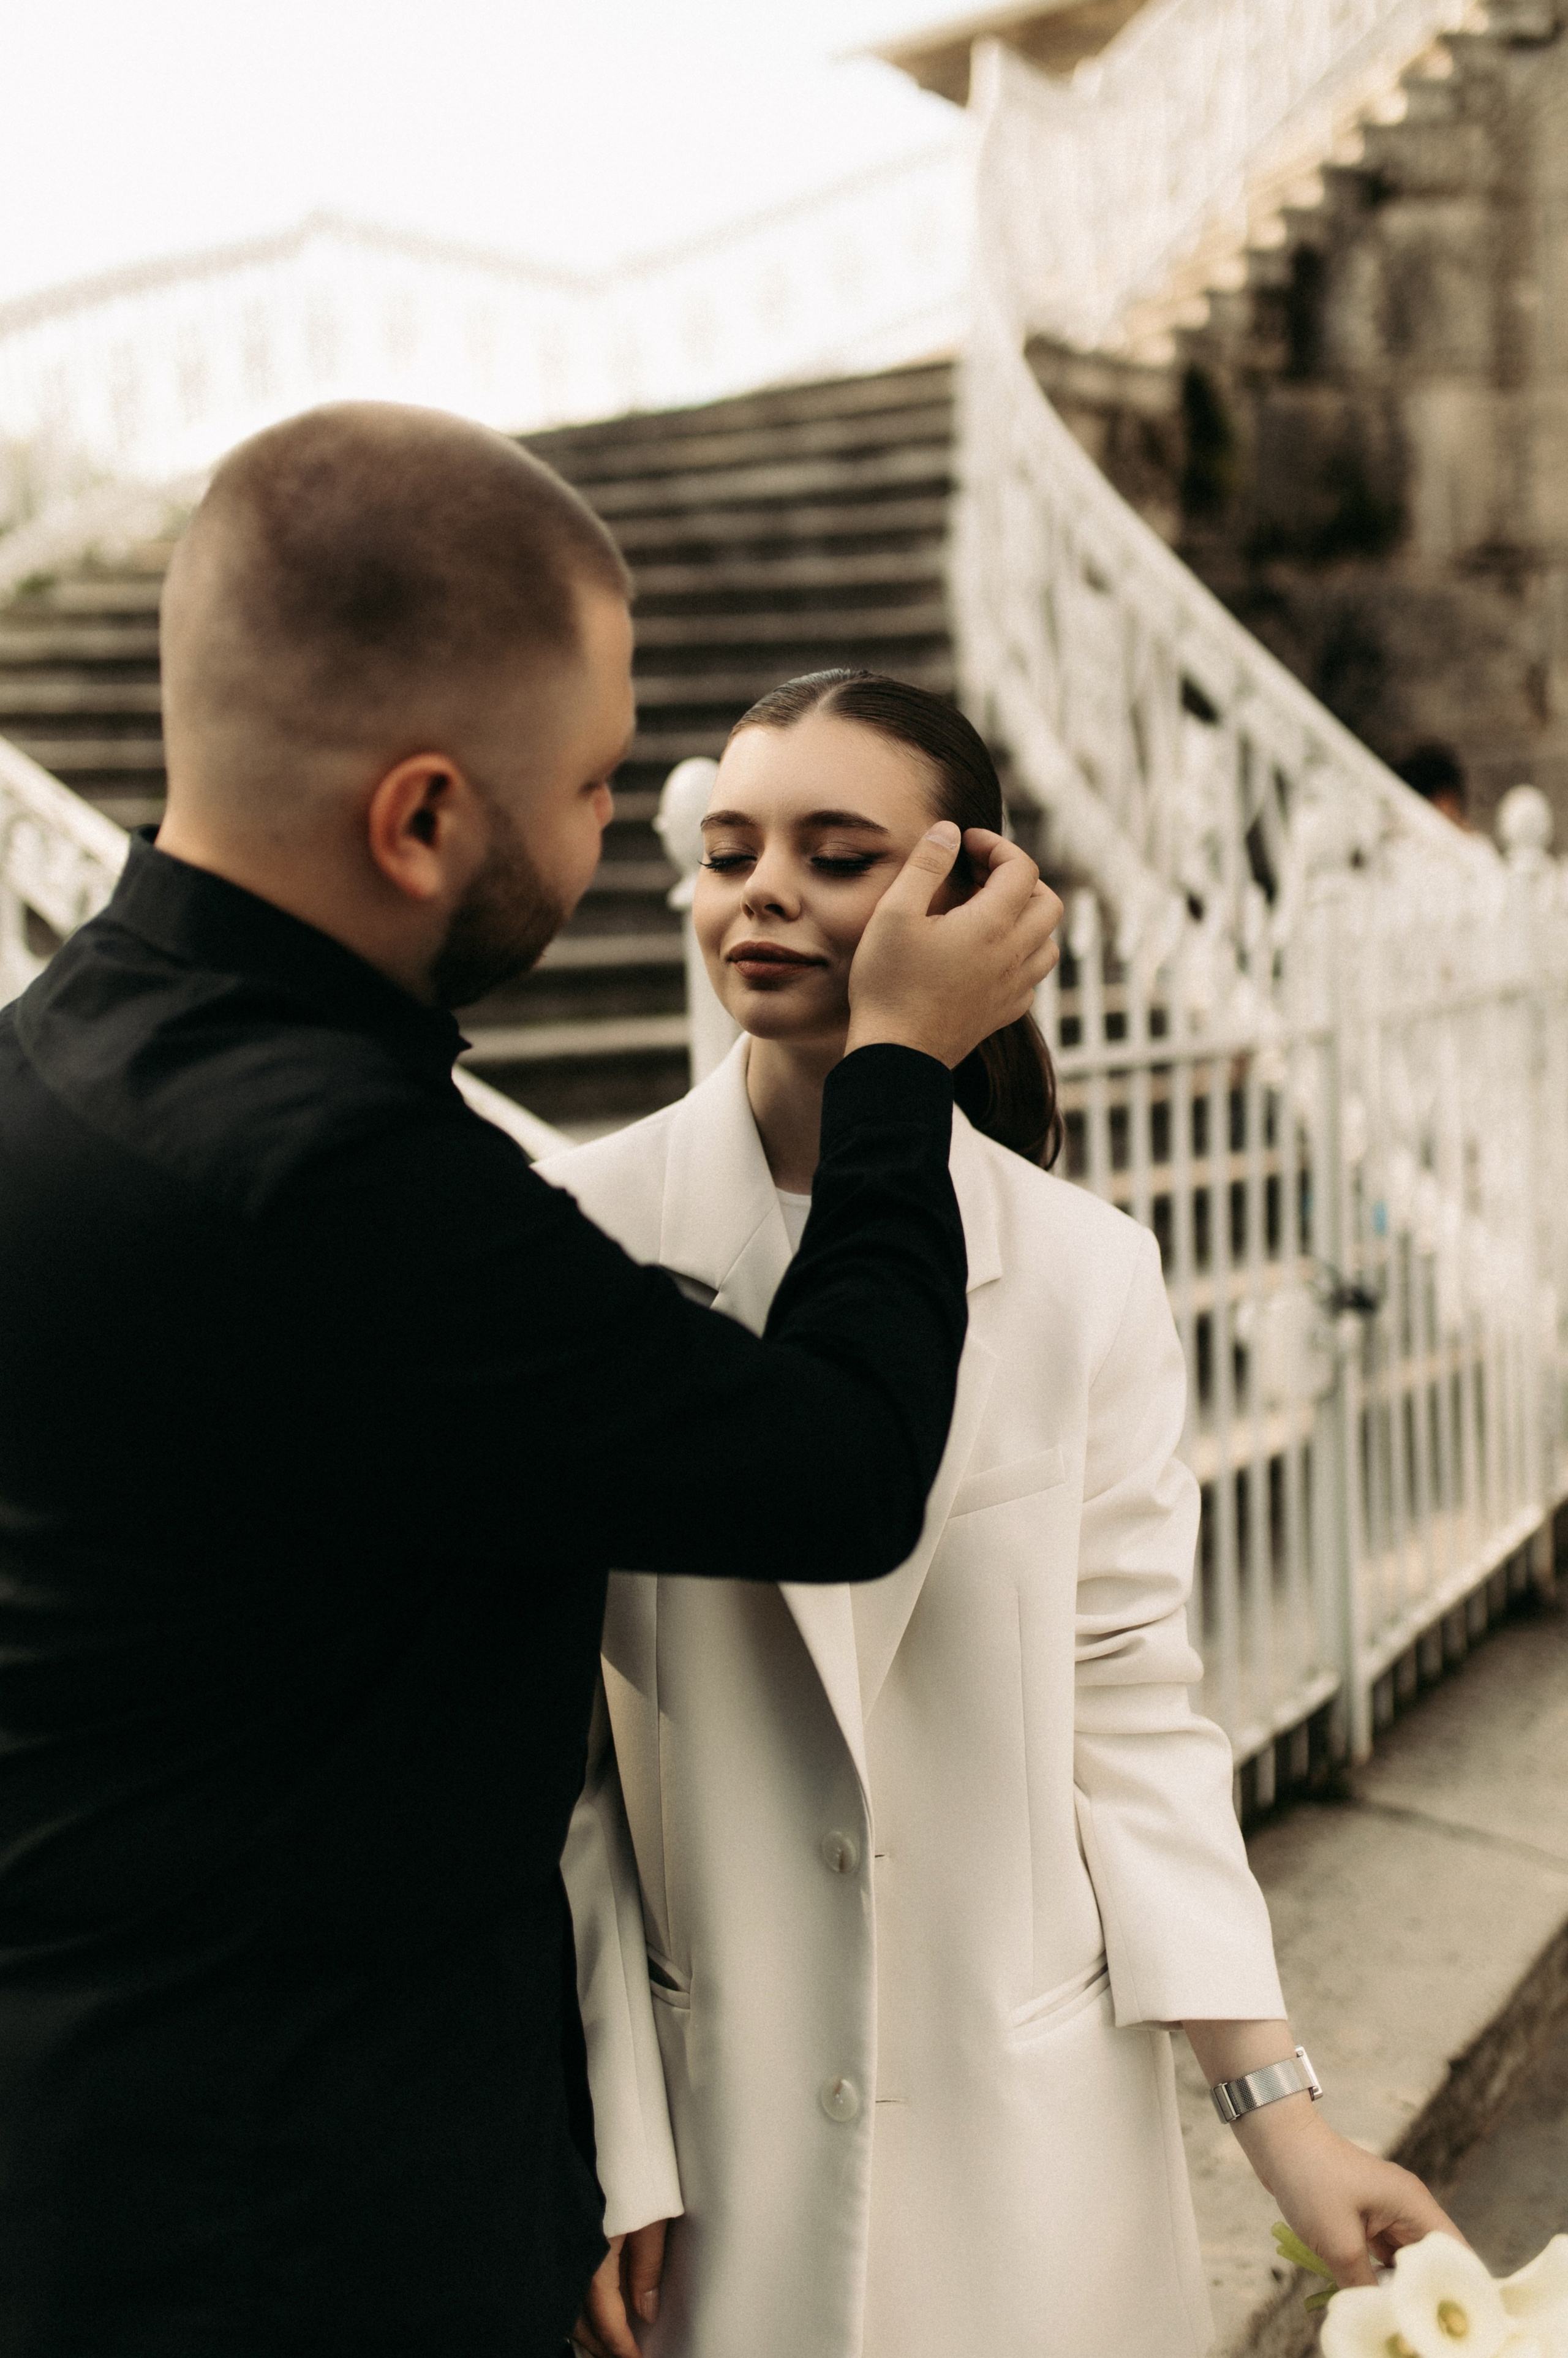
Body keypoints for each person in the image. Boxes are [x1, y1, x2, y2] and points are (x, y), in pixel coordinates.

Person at [0, 420, 1062, 2358]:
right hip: (291, 2232)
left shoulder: (63, 1043)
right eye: (596, 790)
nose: (623, 849)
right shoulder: (342, 1187)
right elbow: (833, 1467)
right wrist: (903, 1066)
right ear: (421, 819)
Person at [546, 670, 1460, 2358]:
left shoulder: (1085, 1270)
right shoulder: (574, 1234)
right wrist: (614, 2129)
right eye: (730, 846)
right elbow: (556, 1761)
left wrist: (1280, 2107)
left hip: (1028, 2138)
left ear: (966, 894)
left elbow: (1129, 1709)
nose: (764, 890)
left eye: (837, 854)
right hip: (706, 2145)